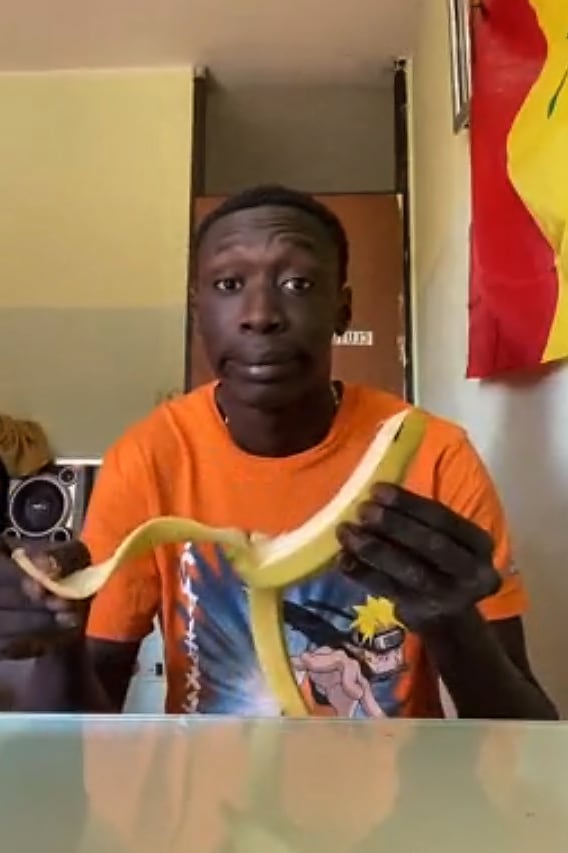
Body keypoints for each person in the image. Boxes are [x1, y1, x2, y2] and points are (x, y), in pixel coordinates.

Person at [0, 185, 557, 720]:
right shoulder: (150, 457)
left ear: (342, 309)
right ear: (198, 313)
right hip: (206, 787)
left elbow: (523, 733)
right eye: (228, 285)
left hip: (396, 788)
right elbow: (87, 731)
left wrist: (454, 624)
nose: (260, 314)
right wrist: (57, 645)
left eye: (297, 283)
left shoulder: (434, 456)